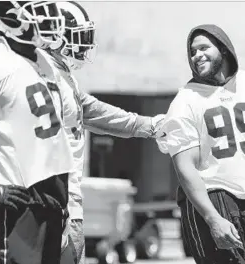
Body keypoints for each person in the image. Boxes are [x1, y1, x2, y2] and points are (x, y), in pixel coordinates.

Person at [157, 24, 245, 264]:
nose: (196, 55)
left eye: (203, 48)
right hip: (212, 196)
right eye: (192, 51)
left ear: (224, 49)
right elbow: (184, 167)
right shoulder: (185, 100)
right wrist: (212, 218)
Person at [44, 2, 164, 263]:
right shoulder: (44, 76)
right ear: (53, 36)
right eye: (78, 36)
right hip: (56, 203)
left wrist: (149, 125)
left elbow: (93, 111)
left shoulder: (62, 76)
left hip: (64, 203)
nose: (84, 44)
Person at [0, 2, 76, 263]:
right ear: (10, 17)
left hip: (51, 203)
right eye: (36, 9)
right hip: (15, 206)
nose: (48, 16)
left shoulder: (42, 61)